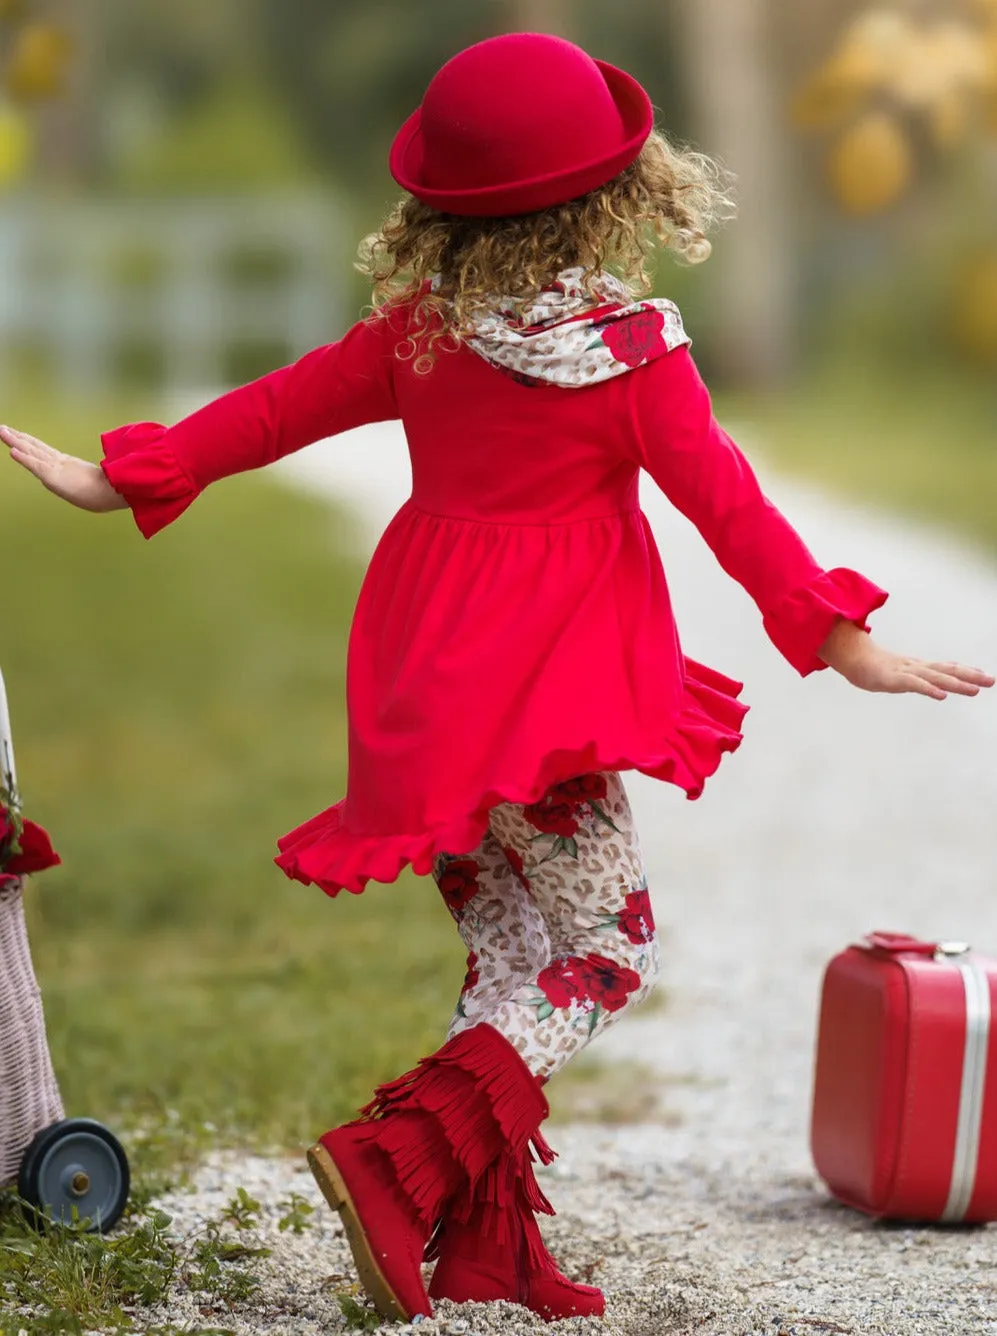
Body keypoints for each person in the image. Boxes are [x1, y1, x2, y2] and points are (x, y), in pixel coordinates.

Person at [3, 31, 992, 1326]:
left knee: (512, 958)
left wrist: (122, 473)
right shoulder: (634, 352)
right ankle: (391, 1158)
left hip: (426, 698)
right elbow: (731, 510)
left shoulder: (421, 332)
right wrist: (837, 636)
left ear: (437, 209)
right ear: (613, 193)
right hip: (548, 709)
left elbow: (276, 406)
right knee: (608, 952)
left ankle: (489, 1252)